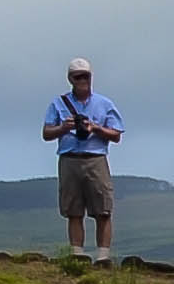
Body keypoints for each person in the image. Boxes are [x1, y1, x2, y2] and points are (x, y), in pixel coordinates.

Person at [42, 61, 124, 259]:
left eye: (85, 76)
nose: (82, 80)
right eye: (78, 77)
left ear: (91, 77)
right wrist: (63, 128)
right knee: (73, 210)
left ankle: (103, 256)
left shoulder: (104, 104)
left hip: (96, 158)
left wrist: (95, 128)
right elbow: (46, 133)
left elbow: (116, 135)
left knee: (103, 209)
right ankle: (76, 253)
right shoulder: (58, 103)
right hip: (69, 158)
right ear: (70, 79)